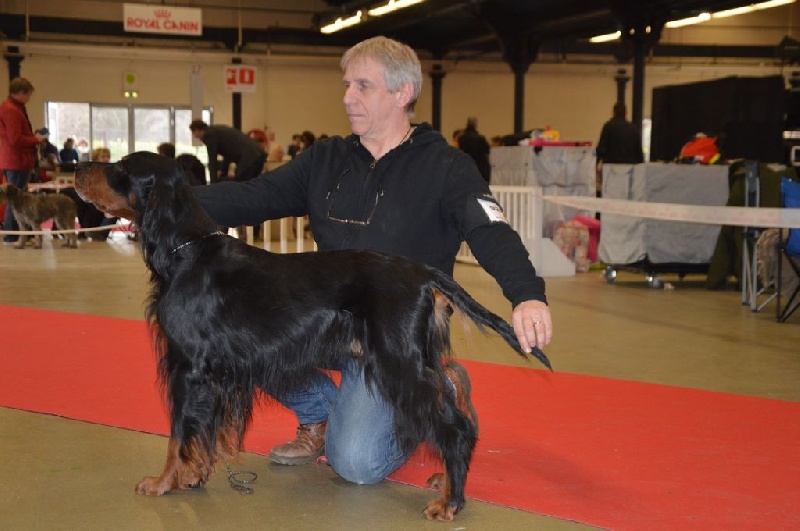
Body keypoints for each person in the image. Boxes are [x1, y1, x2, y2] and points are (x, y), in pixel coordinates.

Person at [193, 36, 553, 486]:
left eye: (363, 85)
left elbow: (490, 229)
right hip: (328, 321)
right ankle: (319, 414)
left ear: (402, 93)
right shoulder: (326, 159)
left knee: (357, 463)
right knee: (246, 331)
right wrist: (162, 200)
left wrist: (527, 296)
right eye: (346, 84)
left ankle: (440, 389)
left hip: (390, 336)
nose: (347, 97)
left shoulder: (447, 167)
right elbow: (253, 197)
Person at [0, 77, 42, 244]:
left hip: (14, 160)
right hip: (16, 161)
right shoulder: (12, 110)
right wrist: (35, 139)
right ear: (21, 93)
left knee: (16, 200)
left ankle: (17, 235)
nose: (29, 98)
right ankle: (12, 235)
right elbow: (15, 139)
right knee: (16, 201)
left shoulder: (10, 107)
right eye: (29, 95)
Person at [189, 120, 266, 184]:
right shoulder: (216, 131)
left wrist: (213, 184)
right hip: (259, 153)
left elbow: (212, 159)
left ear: (197, 130)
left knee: (241, 184)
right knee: (252, 185)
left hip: (249, 156)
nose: (194, 136)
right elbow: (228, 154)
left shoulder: (208, 136)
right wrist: (222, 172)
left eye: (193, 132)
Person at [595, 103, 644, 189]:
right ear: (626, 113)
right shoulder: (633, 128)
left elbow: (601, 149)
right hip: (629, 169)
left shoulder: (608, 126)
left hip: (611, 169)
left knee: (610, 194)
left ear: (613, 112)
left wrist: (595, 164)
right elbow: (639, 153)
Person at [457, 117, 492, 183]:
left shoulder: (461, 138)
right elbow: (487, 150)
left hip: (466, 165)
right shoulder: (480, 138)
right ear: (475, 126)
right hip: (480, 166)